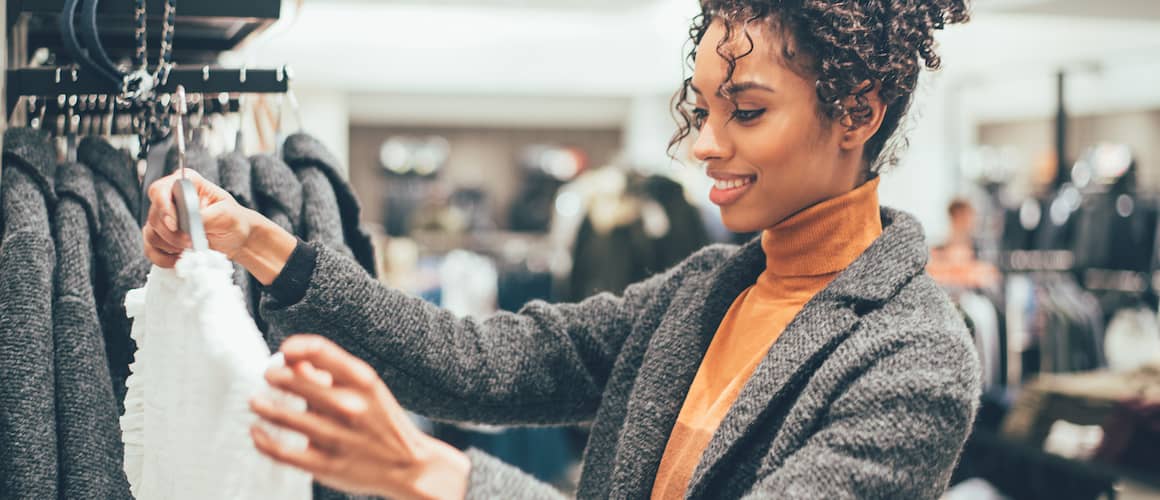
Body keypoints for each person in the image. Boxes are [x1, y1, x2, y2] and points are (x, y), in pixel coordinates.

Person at [143, 0, 979, 498]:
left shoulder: (915, 357)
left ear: (858, 112)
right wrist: (258, 242)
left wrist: (441, 476)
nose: (706, 146)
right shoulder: (710, 289)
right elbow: (485, 363)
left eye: (748, 112)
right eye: (705, 112)